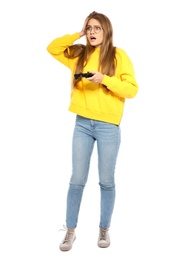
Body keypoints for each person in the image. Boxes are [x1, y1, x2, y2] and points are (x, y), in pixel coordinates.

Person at [47, 11, 138, 251]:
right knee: (77, 180)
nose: (92, 32)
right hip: (82, 124)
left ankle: (104, 229)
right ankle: (69, 231)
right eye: (89, 28)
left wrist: (105, 79)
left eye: (97, 28)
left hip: (108, 126)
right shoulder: (79, 55)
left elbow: (131, 90)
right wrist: (76, 34)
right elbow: (52, 48)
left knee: (106, 181)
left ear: (106, 31)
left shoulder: (119, 56)